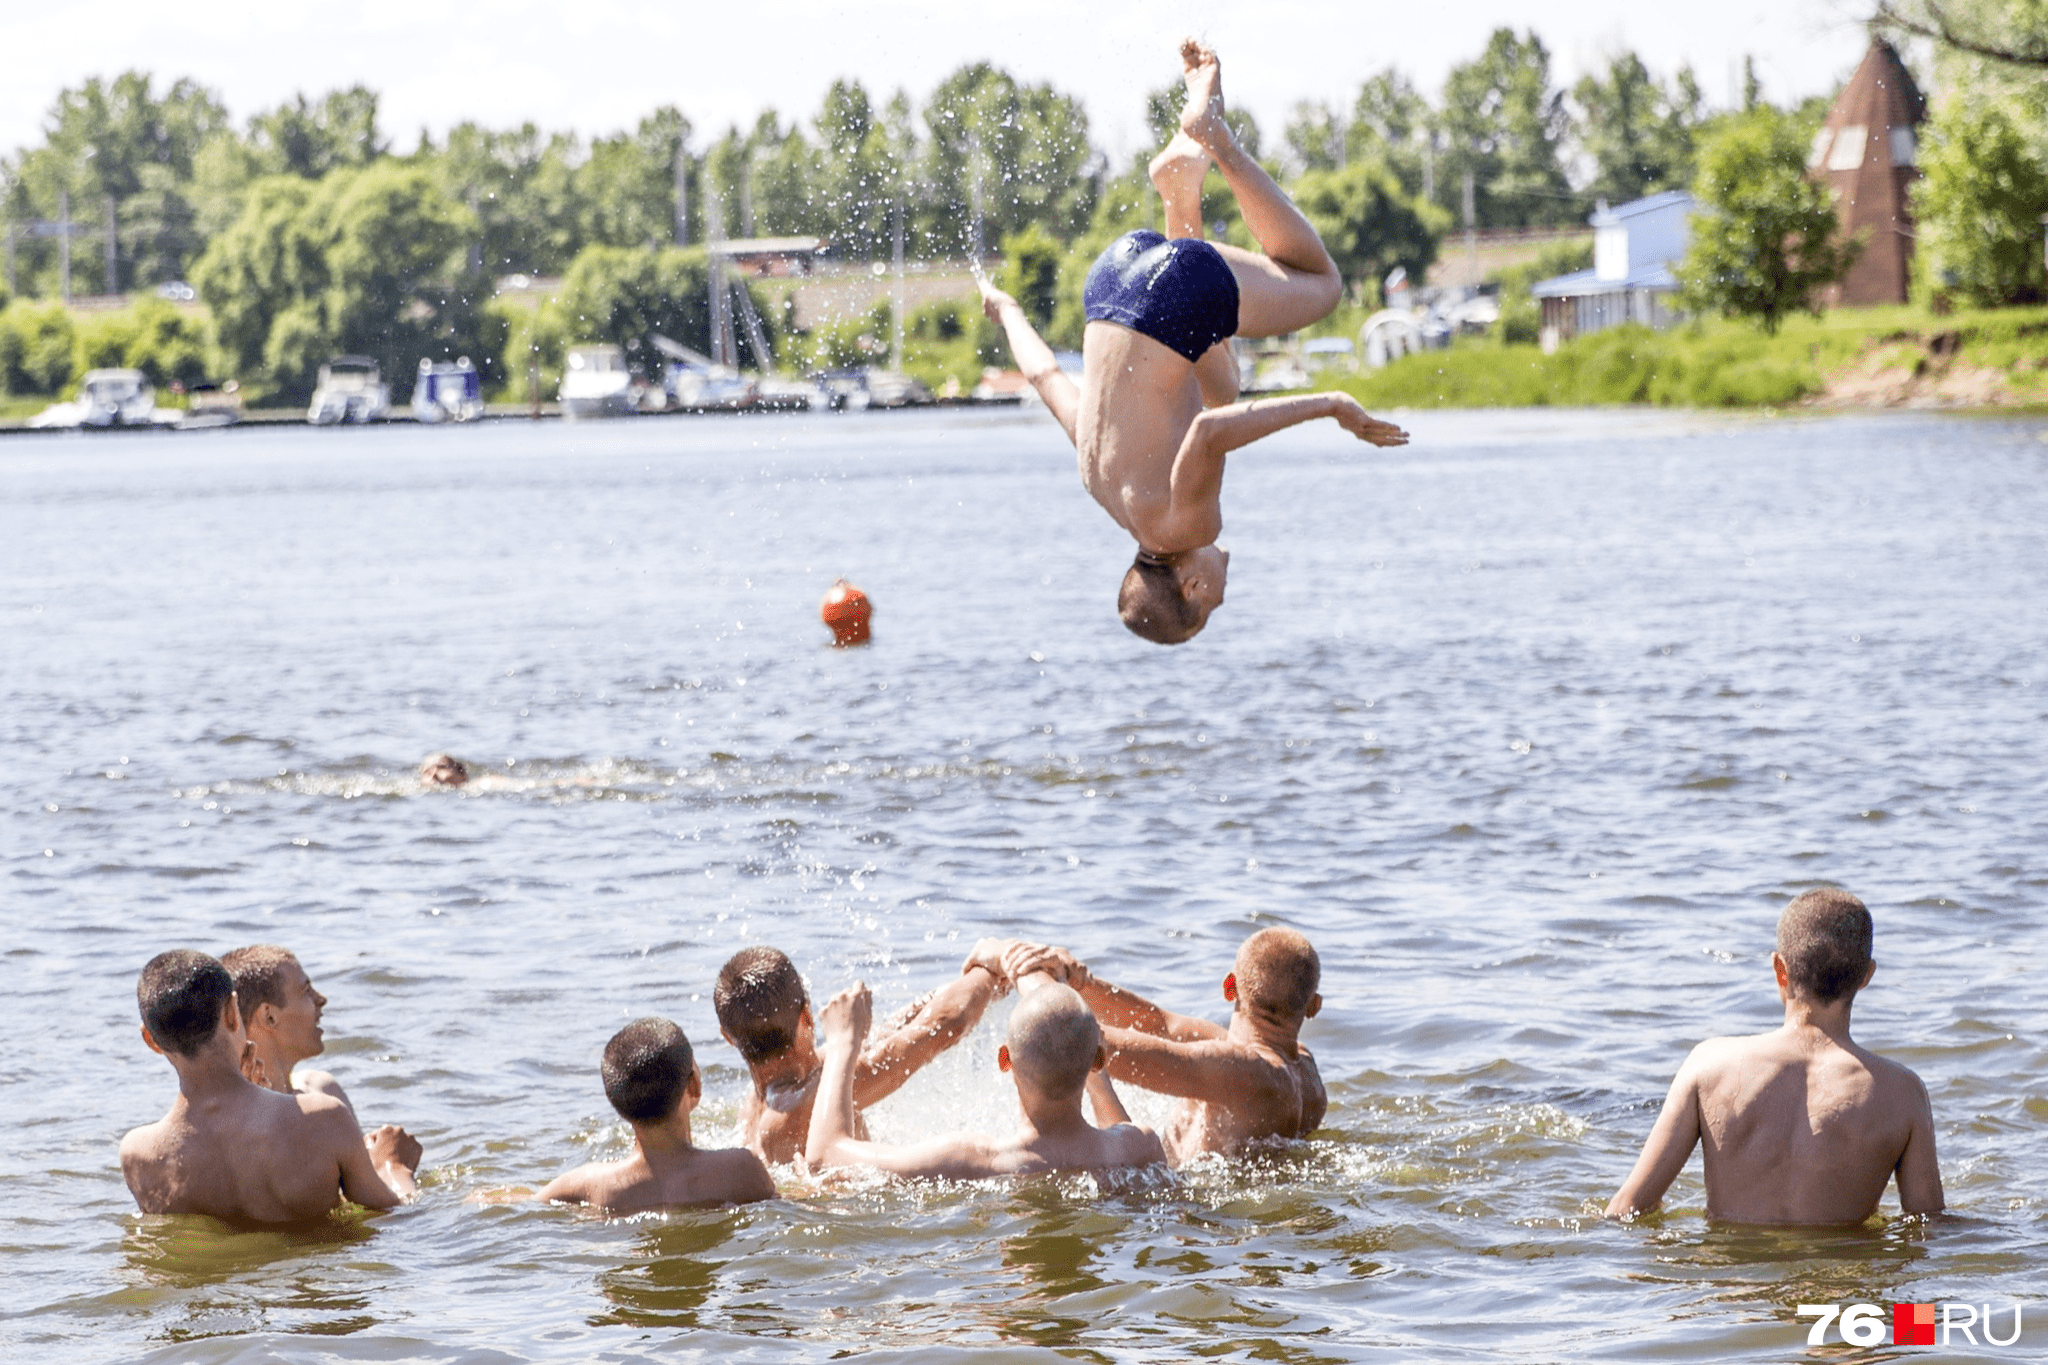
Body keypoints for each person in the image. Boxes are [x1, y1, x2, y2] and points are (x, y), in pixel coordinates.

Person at [978, 40, 1408, 644]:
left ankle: (1214, 139)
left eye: (1214, 609)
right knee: (1221, 385)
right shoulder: (1103, 483)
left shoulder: (1187, 529)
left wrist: (1331, 406)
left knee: (1322, 286)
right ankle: (1179, 189)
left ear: (1193, 590)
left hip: (1166, 300)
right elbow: (1047, 377)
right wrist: (1008, 310)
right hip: (1109, 283)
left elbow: (1210, 434)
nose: (1224, 596)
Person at [1605, 889, 1944, 1224]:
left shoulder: (1707, 1066)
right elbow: (1928, 1224)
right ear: (1866, 976)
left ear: (1780, 969)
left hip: (1737, 1277)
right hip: (1838, 1277)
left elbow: (1629, 1207)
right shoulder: (1901, 1093)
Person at [119, 949, 422, 1223]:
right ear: (231, 1013)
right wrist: (394, 1166)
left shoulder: (139, 1156)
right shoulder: (323, 1118)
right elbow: (395, 1215)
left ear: (151, 1040)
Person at [805, 972, 1165, 1179]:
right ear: (1098, 1060)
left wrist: (842, 1043)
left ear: (1005, 1060)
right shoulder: (1138, 1149)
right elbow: (1121, 1134)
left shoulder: (973, 1160)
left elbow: (823, 1159)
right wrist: (1089, 1063)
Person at [1011, 928, 1326, 1165]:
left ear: (1230, 987)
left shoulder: (1236, 1069)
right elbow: (1161, 1024)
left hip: (1188, 1216)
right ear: (1313, 1006)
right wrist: (1080, 982)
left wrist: (1020, 968)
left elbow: (1075, 1038)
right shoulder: (1306, 1074)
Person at [712, 942, 1011, 1165]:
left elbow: (895, 1033)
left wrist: (977, 984)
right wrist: (989, 965)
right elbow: (944, 1027)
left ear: (728, 1037)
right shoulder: (811, 1101)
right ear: (807, 1016)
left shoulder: (760, 1100)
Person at [534, 1018, 775, 1212]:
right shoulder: (741, 1169)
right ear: (695, 1086)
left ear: (614, 1101)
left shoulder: (589, 1186)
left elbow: (529, 1203)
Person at [220, 944, 352, 1112]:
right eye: (306, 990)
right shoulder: (238, 1117)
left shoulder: (325, 1089)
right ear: (269, 1016)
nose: (321, 999)